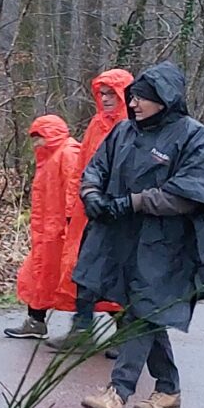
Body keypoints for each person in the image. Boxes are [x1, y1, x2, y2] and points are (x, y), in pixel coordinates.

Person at [73, 63, 204, 408]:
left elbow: (194, 193)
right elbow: (95, 168)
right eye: (133, 97)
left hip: (167, 246)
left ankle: (117, 392)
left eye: (142, 98)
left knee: (142, 312)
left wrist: (135, 201)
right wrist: (92, 194)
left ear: (164, 101)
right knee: (133, 312)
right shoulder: (123, 132)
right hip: (119, 239)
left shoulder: (193, 137)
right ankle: (168, 389)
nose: (134, 104)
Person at [59, 68, 137, 341]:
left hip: (121, 211)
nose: (105, 99)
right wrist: (72, 209)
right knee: (84, 268)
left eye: (111, 94)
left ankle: (125, 335)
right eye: (101, 93)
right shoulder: (96, 124)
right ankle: (81, 329)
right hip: (89, 208)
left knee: (121, 272)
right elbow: (81, 170)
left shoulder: (135, 126)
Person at [6, 114, 84, 339]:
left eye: (38, 137)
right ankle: (36, 321)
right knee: (38, 276)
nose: (35, 143)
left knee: (75, 281)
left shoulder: (68, 153)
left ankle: (112, 328)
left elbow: (75, 188)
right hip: (50, 232)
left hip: (63, 231)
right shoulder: (49, 157)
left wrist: (71, 224)